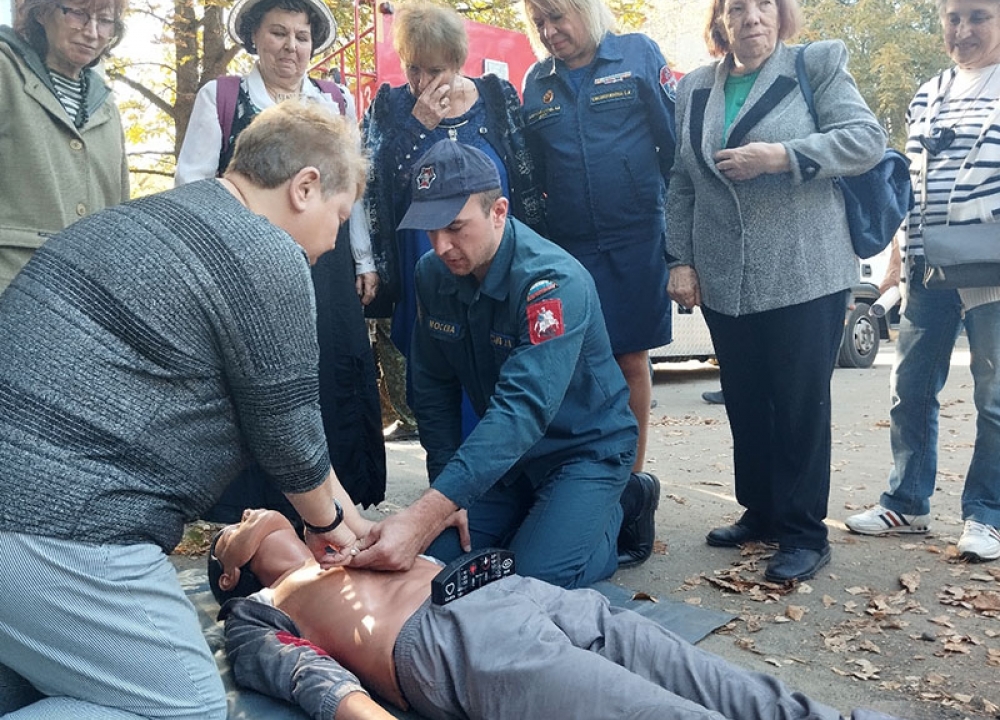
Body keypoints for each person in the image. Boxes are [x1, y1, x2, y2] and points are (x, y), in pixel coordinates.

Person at [0, 102, 382, 719]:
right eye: (341, 216)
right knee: (186, 708)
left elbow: (297, 440)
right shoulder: (263, 251)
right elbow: (287, 435)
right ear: (305, 186)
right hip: (54, 525)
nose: (337, 239)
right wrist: (336, 532)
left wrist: (339, 515)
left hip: (24, 512)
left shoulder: (132, 222)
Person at [209, 508, 906, 720]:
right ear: (232, 570)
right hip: (455, 648)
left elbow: (442, 517)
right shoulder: (262, 610)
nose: (247, 513)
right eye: (230, 528)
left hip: (520, 593)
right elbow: (313, 681)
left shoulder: (347, 526)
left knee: (726, 686)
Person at [352, 139, 659, 589]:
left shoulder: (551, 283)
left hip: (581, 452)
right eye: (430, 230)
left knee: (532, 581)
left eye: (456, 227)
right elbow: (433, 387)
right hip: (505, 462)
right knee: (436, 567)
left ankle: (626, 501)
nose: (441, 246)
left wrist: (424, 513)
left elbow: (522, 410)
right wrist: (446, 493)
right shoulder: (432, 274)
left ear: (498, 211)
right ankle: (544, 517)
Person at [666, 0, 886, 582]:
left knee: (798, 405)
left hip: (805, 270)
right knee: (745, 399)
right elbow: (682, 179)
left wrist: (784, 157)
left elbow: (866, 140)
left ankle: (804, 532)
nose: (752, 17)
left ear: (781, 13)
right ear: (721, 19)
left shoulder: (816, 66)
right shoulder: (693, 88)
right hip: (724, 276)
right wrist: (681, 259)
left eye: (765, 4)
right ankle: (761, 509)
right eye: (738, 7)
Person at [175, 0, 387, 514]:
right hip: (247, 268)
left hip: (328, 265)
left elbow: (351, 187)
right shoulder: (223, 97)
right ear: (255, 38)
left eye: (301, 35)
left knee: (328, 373)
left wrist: (363, 258)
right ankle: (259, 522)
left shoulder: (333, 99)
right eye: (279, 34)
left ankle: (338, 512)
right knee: (258, 380)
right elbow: (193, 183)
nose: (291, 46)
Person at [845, 0, 1000, 562]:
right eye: (953, 18)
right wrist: (897, 259)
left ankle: (987, 514)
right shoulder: (928, 92)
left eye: (978, 17)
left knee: (995, 395)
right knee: (909, 386)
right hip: (927, 264)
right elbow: (910, 185)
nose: (962, 30)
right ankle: (906, 502)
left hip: (993, 269)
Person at [363, 0, 546, 440]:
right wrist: (417, 124)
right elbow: (372, 183)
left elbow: (525, 175)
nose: (421, 81)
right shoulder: (390, 107)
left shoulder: (497, 98)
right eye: (412, 68)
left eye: (434, 69)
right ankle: (447, 480)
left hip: (496, 262)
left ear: (458, 62)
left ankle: (501, 474)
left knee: (502, 366)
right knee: (435, 373)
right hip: (423, 260)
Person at [521, 0, 676, 472]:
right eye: (539, 22)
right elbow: (533, 173)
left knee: (630, 360)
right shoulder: (536, 81)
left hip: (635, 238)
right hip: (569, 249)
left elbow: (674, 150)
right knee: (575, 367)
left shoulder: (638, 55)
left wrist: (678, 245)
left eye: (557, 18)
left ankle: (630, 482)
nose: (548, 31)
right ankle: (587, 477)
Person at [0, 0, 129, 292]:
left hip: (84, 298)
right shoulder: (5, 71)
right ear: (42, 12)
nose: (92, 31)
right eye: (79, 14)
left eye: (105, 20)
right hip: (11, 284)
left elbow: (119, 211)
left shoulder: (106, 106)